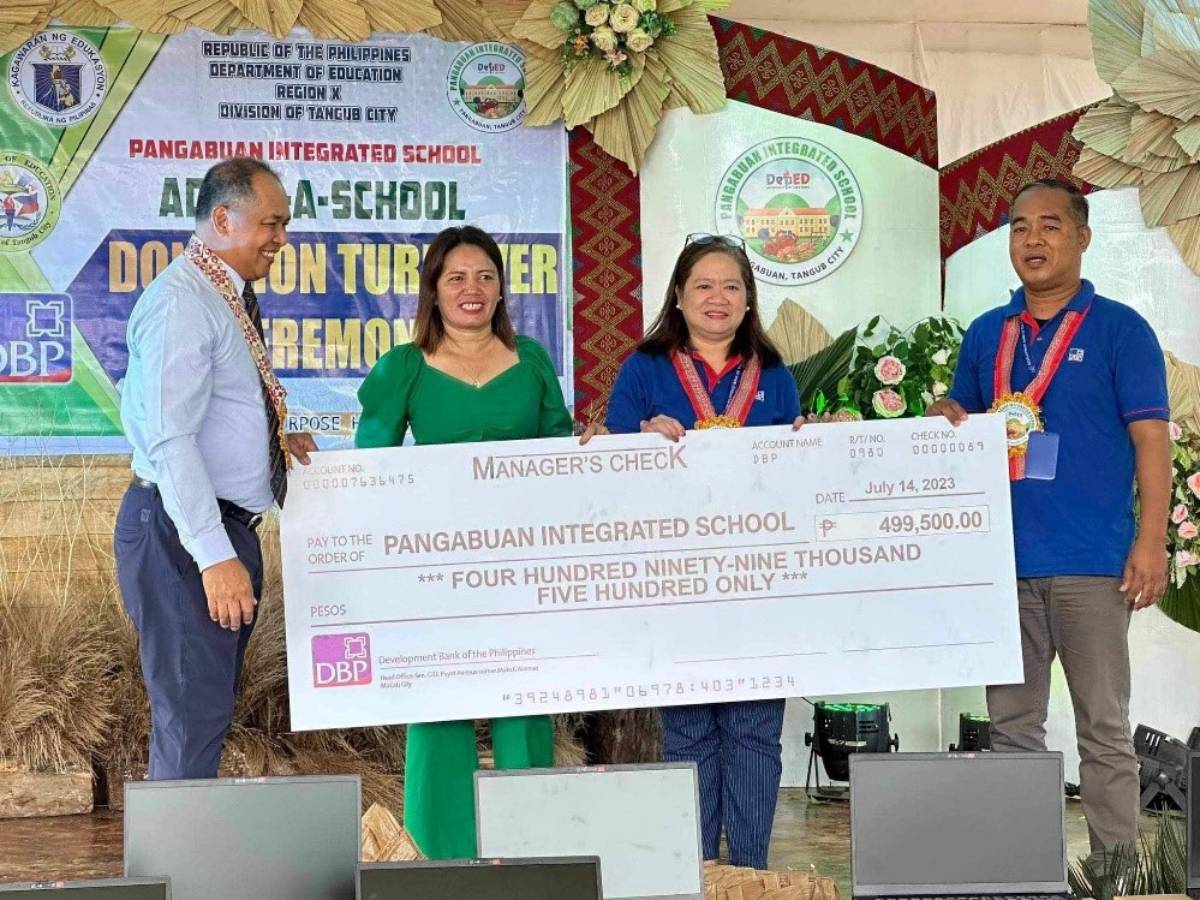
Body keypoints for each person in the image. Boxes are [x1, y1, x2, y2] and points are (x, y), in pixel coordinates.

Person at [928, 178, 1171, 858]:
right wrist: (943, 423)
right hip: (1001, 567)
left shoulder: (1121, 329)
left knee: (1103, 726)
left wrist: (1150, 543)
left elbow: (1153, 439)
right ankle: (1023, 866)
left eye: (1049, 226)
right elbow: (964, 435)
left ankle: (1114, 866)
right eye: (1018, 227)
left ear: (1082, 237)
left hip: (1093, 563)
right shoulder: (986, 333)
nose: (1032, 239)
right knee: (1011, 729)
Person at [356, 224, 577, 859]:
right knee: (439, 707)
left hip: (522, 571)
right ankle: (439, 859)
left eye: (485, 276)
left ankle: (531, 853)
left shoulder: (531, 361)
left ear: (503, 288)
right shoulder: (404, 368)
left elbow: (559, 457)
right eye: (456, 277)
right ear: (434, 290)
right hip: (437, 577)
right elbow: (371, 468)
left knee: (525, 708)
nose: (472, 289)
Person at [605, 233, 804, 870]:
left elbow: (795, 486)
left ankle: (749, 874)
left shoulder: (774, 377)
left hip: (757, 583)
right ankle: (691, 875)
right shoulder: (644, 369)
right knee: (686, 730)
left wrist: (810, 448)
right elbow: (604, 470)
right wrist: (636, 438)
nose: (717, 298)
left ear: (749, 302)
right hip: (675, 581)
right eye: (703, 286)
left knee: (753, 730)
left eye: (732, 287)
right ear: (680, 298)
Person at [115, 157, 317, 780]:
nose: (281, 239)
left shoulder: (220, 293)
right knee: (190, 718)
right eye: (272, 224)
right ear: (223, 219)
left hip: (217, 533)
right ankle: (174, 875)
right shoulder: (183, 303)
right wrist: (213, 554)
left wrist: (275, 440)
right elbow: (170, 438)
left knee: (201, 714)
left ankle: (182, 866)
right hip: (187, 537)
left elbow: (214, 415)